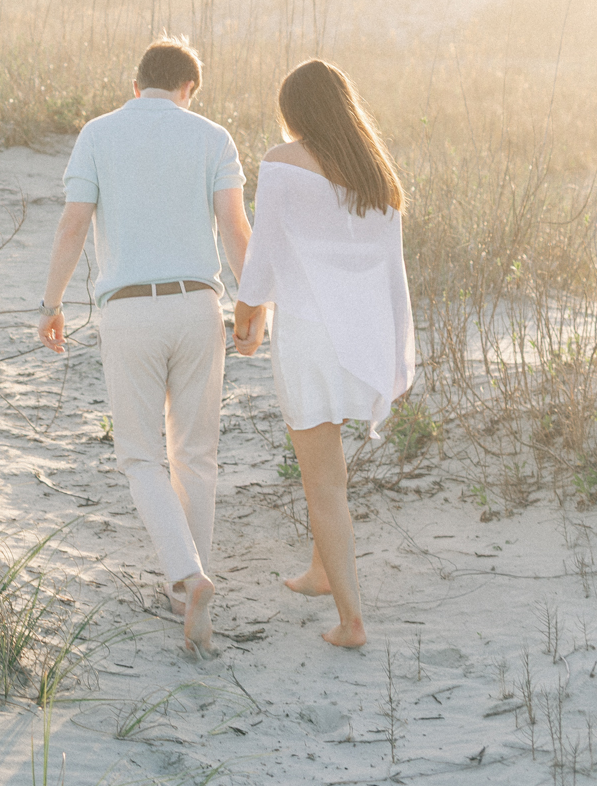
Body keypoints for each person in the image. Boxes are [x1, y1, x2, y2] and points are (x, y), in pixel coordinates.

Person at [36, 37, 251, 656]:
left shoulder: (98, 134)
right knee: (197, 454)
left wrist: (52, 306)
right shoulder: (212, 136)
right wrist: (254, 308)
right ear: (189, 91)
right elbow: (236, 231)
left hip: (128, 310)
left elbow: (73, 224)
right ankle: (190, 592)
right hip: (197, 304)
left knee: (139, 455)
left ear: (137, 86)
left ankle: (187, 574)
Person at [233, 58, 415, 649]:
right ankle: (319, 571)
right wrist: (392, 349)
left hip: (311, 338)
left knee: (323, 484)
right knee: (329, 468)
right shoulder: (375, 173)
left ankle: (352, 620)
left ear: (295, 111)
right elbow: (393, 270)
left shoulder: (284, 163)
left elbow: (263, 253)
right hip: (359, 338)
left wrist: (246, 314)